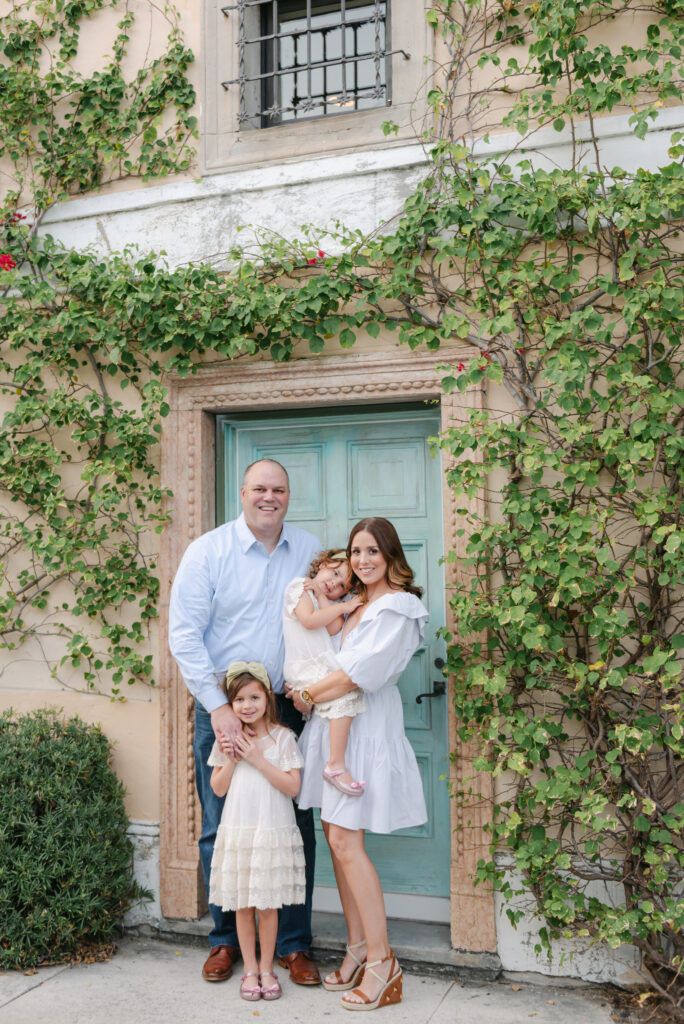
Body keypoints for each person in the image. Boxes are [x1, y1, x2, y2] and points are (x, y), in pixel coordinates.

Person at [168, 458, 322, 986]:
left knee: (295, 826)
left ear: (287, 495)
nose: (269, 497)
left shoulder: (307, 549)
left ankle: (293, 946)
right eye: (260, 487)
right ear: (242, 492)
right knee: (218, 828)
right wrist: (217, 705)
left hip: (285, 710)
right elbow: (184, 634)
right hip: (222, 708)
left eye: (278, 489)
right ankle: (226, 941)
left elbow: (322, 627)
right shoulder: (208, 552)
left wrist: (310, 687)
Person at [292, 517, 428, 1011]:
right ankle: (355, 947)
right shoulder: (356, 603)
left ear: (391, 554)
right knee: (334, 837)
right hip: (334, 729)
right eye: (355, 552)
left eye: (372, 551)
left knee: (348, 843)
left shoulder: (397, 608)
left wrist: (306, 692)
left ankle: (383, 962)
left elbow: (354, 675)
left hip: (365, 729)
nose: (362, 561)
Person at [208, 661, 305, 1002]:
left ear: (267, 698)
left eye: (254, 697)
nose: (247, 706)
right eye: (239, 700)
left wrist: (259, 759)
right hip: (240, 829)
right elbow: (217, 789)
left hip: (271, 829)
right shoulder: (227, 740)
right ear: (231, 705)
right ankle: (249, 968)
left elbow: (293, 787)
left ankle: (267, 968)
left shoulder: (283, 738)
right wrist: (234, 757)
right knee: (243, 906)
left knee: (267, 906)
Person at [283, 549, 366, 796]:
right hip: (304, 666)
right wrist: (343, 607)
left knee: (344, 696)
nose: (334, 584)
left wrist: (325, 597)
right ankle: (335, 765)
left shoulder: (321, 597)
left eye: (342, 586)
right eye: (335, 573)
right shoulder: (299, 587)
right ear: (324, 563)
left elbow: (333, 628)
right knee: (344, 696)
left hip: (316, 667)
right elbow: (309, 620)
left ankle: (333, 761)